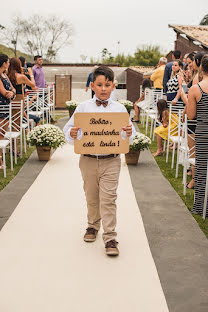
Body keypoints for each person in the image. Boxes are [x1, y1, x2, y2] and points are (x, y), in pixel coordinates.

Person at [63, 66, 136, 256]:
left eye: (107, 85)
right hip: (87, 160)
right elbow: (69, 131)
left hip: (111, 160)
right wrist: (71, 133)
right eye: (99, 85)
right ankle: (92, 226)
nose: (103, 89)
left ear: (113, 86)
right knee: (91, 196)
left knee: (109, 199)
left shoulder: (120, 109)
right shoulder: (83, 108)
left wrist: (129, 133)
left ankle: (110, 236)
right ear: (92, 86)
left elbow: (129, 135)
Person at [187, 54, 208, 217]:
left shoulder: (195, 89)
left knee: (201, 169)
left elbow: (191, 116)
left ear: (201, 67)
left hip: (203, 132)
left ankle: (202, 207)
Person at [0, 54, 16, 169]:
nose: (9, 64)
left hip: (6, 107)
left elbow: (12, 90)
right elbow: (5, 92)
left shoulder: (5, 75)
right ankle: (0, 160)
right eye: (8, 62)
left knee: (2, 134)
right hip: (1, 108)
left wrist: (12, 93)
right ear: (4, 63)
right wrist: (9, 93)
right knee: (0, 135)